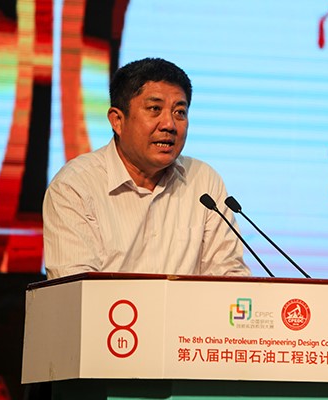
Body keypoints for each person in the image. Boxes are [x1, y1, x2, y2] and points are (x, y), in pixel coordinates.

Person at [42, 57, 251, 279]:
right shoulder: (75, 186)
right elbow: (76, 289)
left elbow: (229, 276)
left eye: (179, 112)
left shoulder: (202, 181)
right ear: (117, 120)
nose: (169, 125)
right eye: (154, 109)